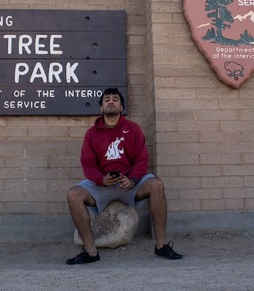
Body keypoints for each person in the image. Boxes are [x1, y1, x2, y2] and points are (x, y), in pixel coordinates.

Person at [66, 87, 182, 264]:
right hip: (102, 185)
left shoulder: (133, 129)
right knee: (74, 194)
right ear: (101, 108)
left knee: (156, 185)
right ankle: (90, 251)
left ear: (121, 107)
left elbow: (142, 159)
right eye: (107, 100)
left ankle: (161, 245)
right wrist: (100, 179)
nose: (111, 102)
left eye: (115, 99)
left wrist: (133, 179)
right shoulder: (92, 134)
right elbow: (88, 165)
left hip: (130, 183)